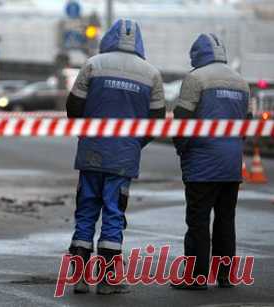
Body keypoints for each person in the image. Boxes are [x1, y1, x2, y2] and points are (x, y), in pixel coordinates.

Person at [66, 19, 165, 295]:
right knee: (113, 213)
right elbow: (156, 121)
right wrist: (134, 143)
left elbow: (73, 106)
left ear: (109, 37)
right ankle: (108, 281)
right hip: (123, 157)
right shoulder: (151, 74)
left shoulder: (93, 65)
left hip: (91, 152)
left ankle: (80, 279)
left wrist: (86, 134)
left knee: (85, 211)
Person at [172, 33, 251, 290]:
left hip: (202, 164)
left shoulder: (196, 78)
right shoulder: (241, 82)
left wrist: (182, 148)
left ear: (197, 54)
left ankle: (196, 277)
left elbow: (182, 119)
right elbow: (246, 125)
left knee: (198, 220)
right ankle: (225, 275)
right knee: (226, 220)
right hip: (231, 164)